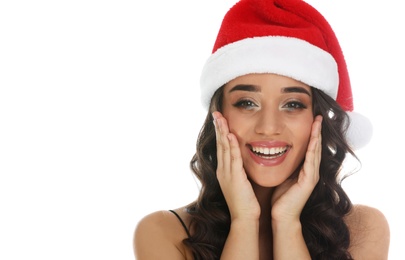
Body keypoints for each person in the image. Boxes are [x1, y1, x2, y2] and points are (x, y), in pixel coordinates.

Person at [133, 0, 390, 259]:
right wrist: (243, 220)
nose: (268, 128)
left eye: (292, 104)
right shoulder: (163, 233)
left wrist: (287, 223)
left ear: (318, 118)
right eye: (247, 103)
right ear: (218, 115)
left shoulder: (363, 230)